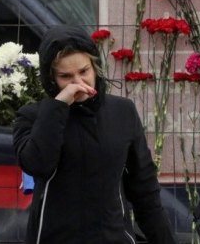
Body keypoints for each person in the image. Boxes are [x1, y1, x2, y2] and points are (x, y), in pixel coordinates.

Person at [12, 25, 176, 244]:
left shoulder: (122, 112)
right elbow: (37, 164)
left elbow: (144, 189)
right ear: (51, 78)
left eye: (83, 71)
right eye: (65, 76)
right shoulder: (33, 116)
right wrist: (59, 106)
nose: (78, 83)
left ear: (95, 67)